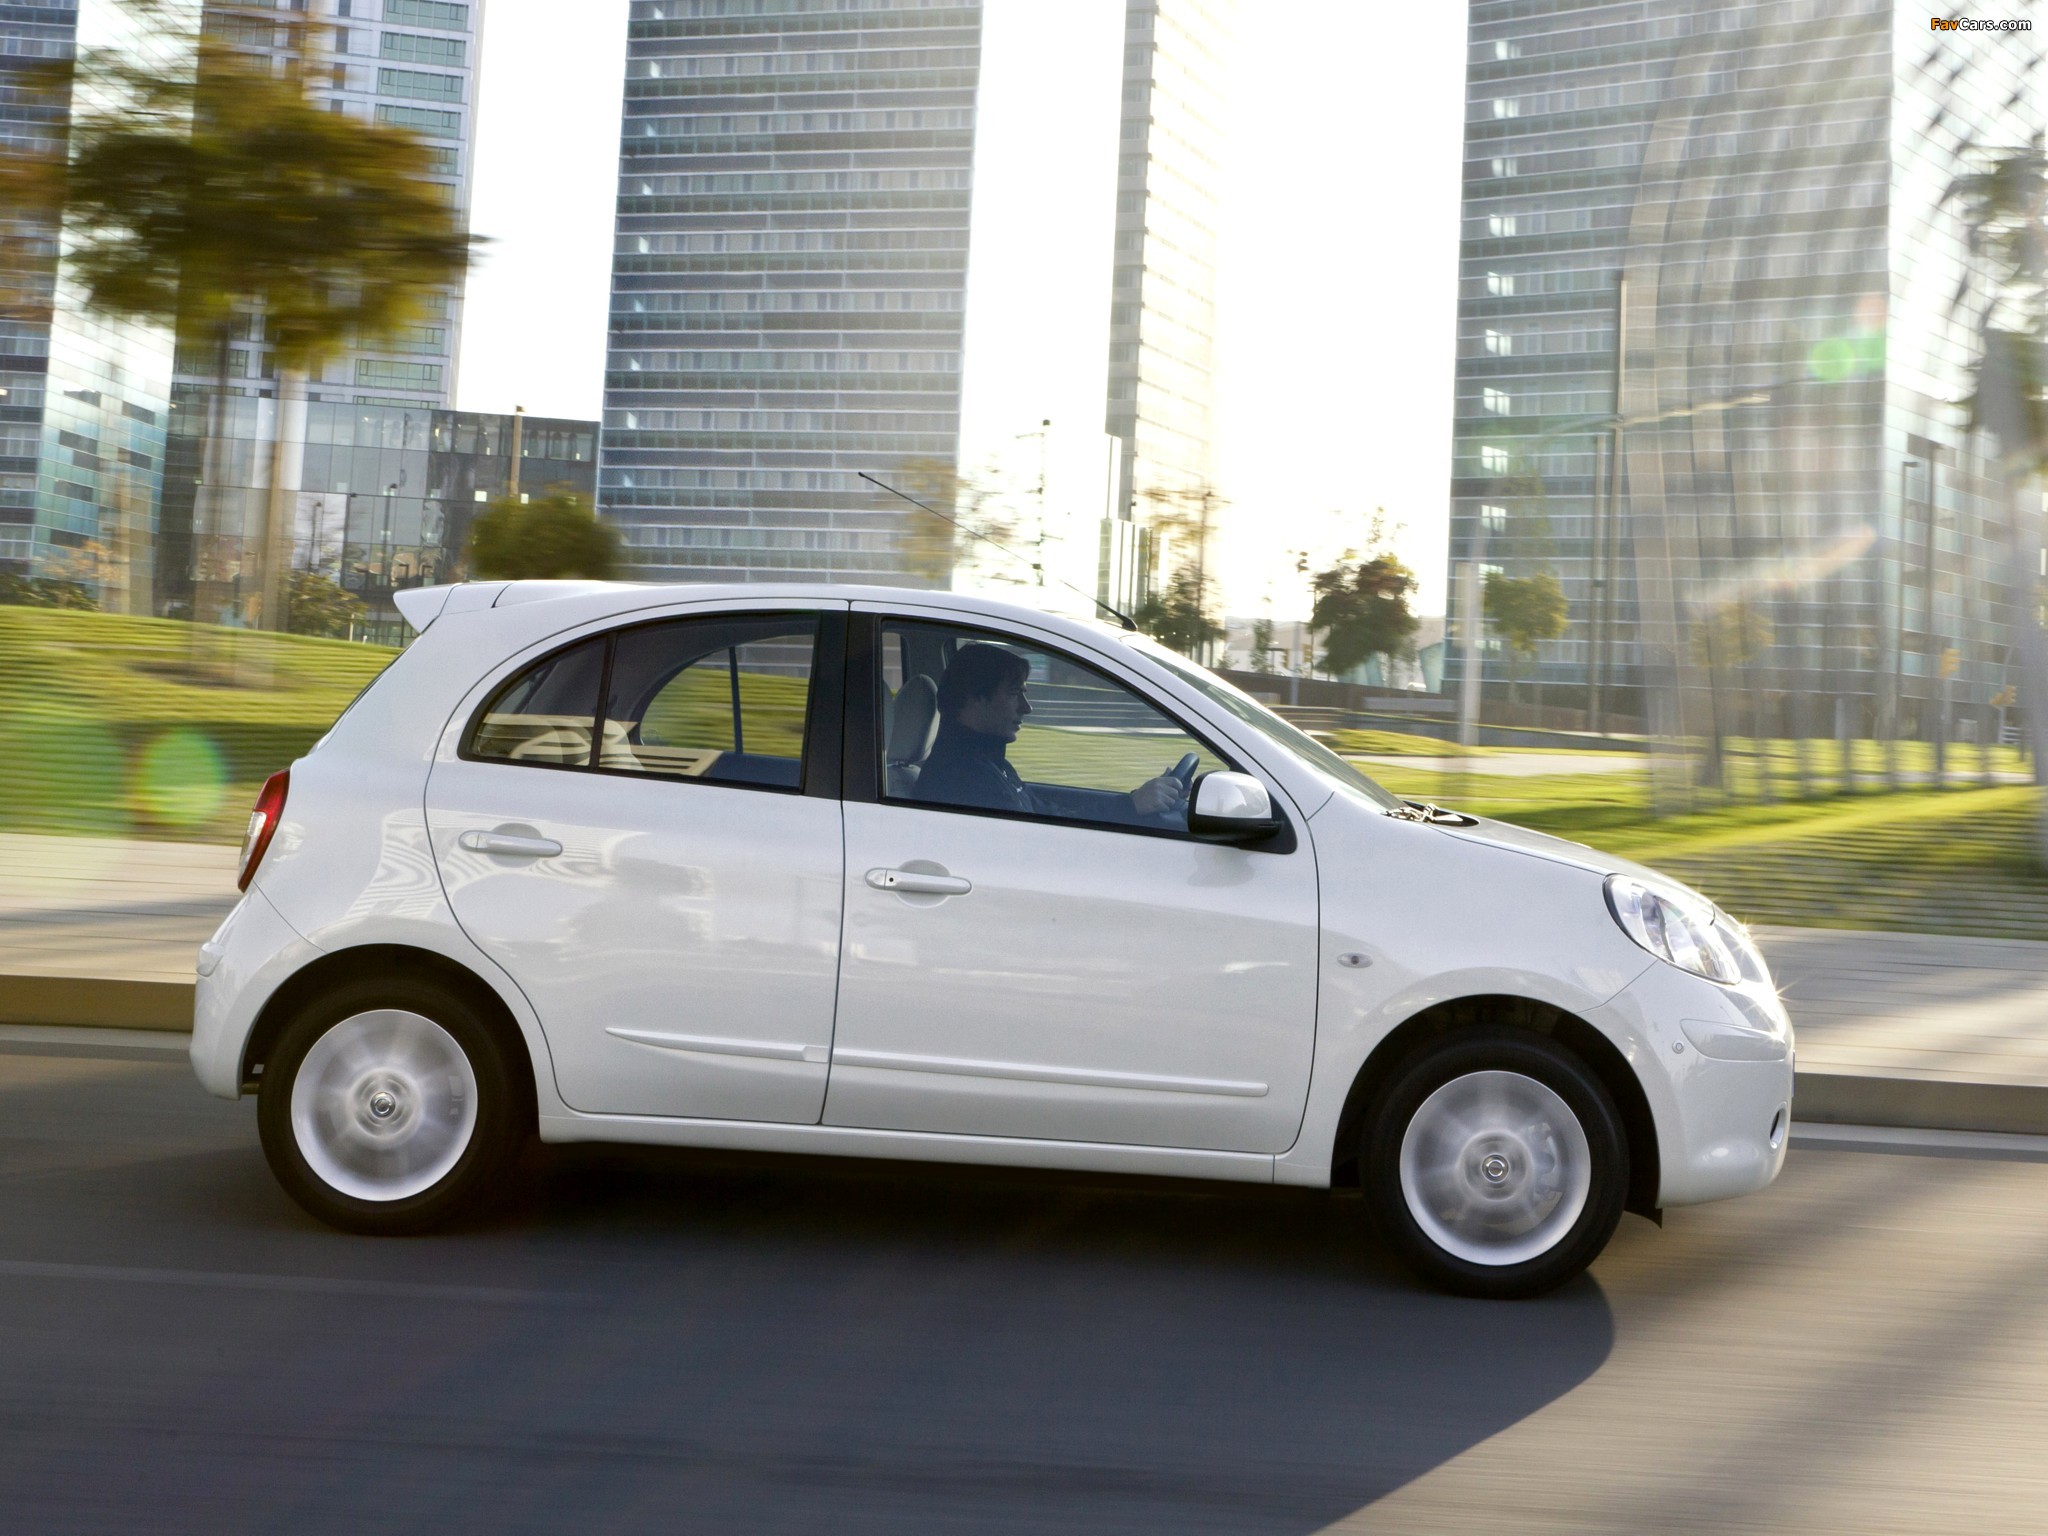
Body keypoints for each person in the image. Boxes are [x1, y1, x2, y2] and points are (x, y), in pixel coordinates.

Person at [914, 642, 1187, 823]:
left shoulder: (988, 764)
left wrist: (1134, 802)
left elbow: (1049, 815)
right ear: (975, 699)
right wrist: (1131, 806)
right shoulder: (964, 780)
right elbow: (1044, 841)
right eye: (1014, 693)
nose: (1027, 708)